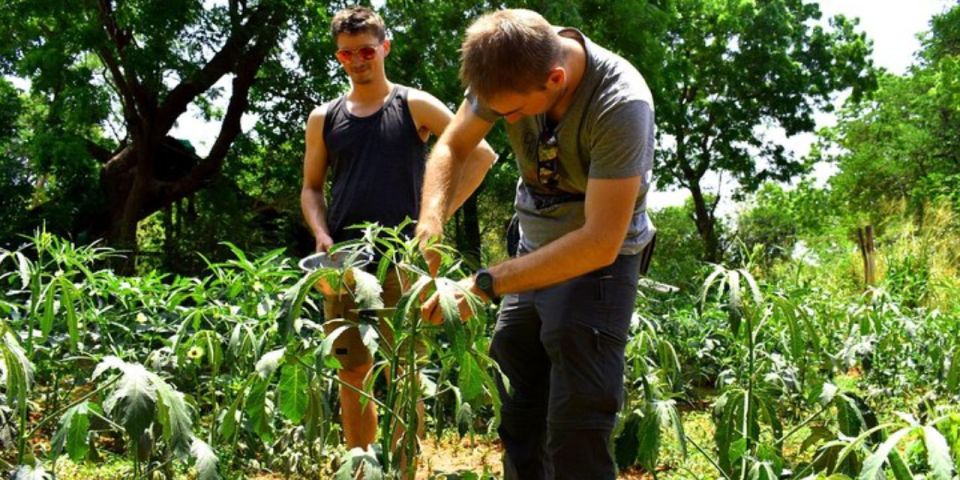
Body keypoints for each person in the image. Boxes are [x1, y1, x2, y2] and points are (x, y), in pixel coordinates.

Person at [417, 9, 655, 479]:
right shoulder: (504, 69)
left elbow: (600, 241)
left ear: (555, 78)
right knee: (518, 392)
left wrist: (483, 284)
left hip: (599, 261)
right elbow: (451, 145)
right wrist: (431, 218)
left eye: (511, 112)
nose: (503, 120)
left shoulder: (622, 104)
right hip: (532, 248)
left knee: (576, 421)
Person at [300, 5, 496, 451]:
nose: (357, 61)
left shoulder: (413, 104)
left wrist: (434, 219)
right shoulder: (323, 118)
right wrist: (320, 230)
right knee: (352, 371)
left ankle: (406, 469)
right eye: (346, 54)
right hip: (344, 264)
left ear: (384, 47)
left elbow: (480, 155)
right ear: (339, 57)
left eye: (366, 50)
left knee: (403, 372)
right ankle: (361, 466)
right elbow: (311, 189)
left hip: (400, 260)